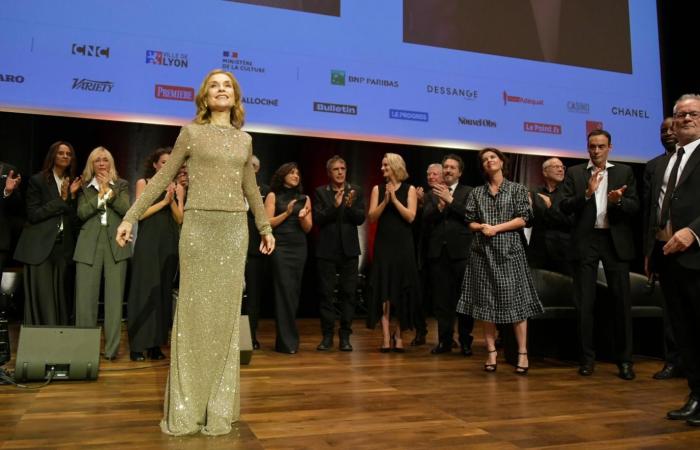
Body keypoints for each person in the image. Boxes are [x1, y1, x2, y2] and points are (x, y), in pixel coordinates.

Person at [116, 69, 275, 436]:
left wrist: (264, 227)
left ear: (235, 97)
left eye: (228, 86)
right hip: (199, 229)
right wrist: (130, 216)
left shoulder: (245, 141)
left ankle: (218, 408)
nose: (222, 90)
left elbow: (250, 189)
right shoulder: (191, 134)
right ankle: (186, 410)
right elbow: (162, 178)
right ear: (205, 97)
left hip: (235, 232)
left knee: (224, 323)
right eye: (215, 86)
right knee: (191, 318)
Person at [560, 129, 639, 380]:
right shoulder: (575, 173)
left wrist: (618, 201)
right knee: (585, 304)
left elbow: (635, 206)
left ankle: (625, 361)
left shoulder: (624, 172)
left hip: (615, 242)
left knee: (621, 303)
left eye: (601, 146)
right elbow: (564, 205)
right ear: (587, 148)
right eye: (592, 146)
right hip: (586, 241)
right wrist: (586, 194)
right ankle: (586, 359)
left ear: (610, 148)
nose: (596, 151)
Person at [457, 148, 543, 375]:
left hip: (510, 252)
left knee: (517, 304)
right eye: (484, 159)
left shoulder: (517, 189)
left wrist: (496, 228)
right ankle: (491, 352)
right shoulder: (477, 192)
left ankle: (522, 353)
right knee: (486, 305)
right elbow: (469, 220)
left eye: (492, 157)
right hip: (482, 254)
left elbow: (524, 219)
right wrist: (480, 227)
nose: (489, 161)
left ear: (502, 162)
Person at [646, 95, 700, 426]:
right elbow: (657, 210)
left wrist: (694, 232)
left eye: (693, 114)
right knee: (684, 332)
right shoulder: (664, 162)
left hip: (697, 255)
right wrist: (650, 252)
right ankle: (696, 394)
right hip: (667, 257)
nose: (686, 119)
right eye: (681, 115)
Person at [126, 148, 185, 362]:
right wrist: (163, 201)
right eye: (163, 162)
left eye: (170, 162)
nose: (166, 165)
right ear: (155, 164)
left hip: (169, 243)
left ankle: (155, 345)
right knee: (143, 290)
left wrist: (172, 199)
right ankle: (137, 345)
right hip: (149, 242)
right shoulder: (145, 183)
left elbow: (180, 219)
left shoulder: (177, 186)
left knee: (162, 292)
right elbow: (139, 213)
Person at [74, 146, 131, 360]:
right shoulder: (84, 187)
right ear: (91, 163)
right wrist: (102, 194)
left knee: (114, 301)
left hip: (116, 246)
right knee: (85, 301)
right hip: (89, 245)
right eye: (97, 160)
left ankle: (111, 351)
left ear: (111, 163)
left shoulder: (122, 185)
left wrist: (109, 190)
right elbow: (82, 212)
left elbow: (126, 209)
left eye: (105, 160)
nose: (101, 163)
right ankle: (84, 350)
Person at [14, 142, 81, 325]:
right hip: (40, 248)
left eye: (69, 153)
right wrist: (62, 199)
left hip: (62, 248)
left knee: (60, 299)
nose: (65, 156)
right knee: (42, 299)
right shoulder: (38, 180)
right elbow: (34, 215)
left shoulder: (73, 182)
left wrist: (73, 198)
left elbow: (75, 220)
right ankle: (39, 344)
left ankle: (57, 343)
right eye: (61, 153)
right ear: (53, 156)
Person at [367, 153, 420, 352]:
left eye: (385, 165)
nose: (382, 169)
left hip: (403, 246)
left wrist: (395, 200)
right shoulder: (377, 189)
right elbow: (372, 217)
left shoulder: (410, 189)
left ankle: (399, 335)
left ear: (395, 166)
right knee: (384, 290)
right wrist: (384, 201)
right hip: (384, 245)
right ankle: (385, 337)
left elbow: (411, 217)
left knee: (402, 290)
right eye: (382, 165)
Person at [643, 117, 683, 380]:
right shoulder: (654, 166)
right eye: (663, 130)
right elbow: (649, 212)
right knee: (671, 308)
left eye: (672, 128)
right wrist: (648, 252)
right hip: (661, 244)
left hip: (691, 242)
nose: (667, 133)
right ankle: (673, 361)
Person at [424, 154, 475, 356]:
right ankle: (445, 341)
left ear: (459, 172)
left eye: (452, 168)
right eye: (445, 167)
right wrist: (439, 205)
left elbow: (471, 215)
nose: (447, 170)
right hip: (438, 253)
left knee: (464, 300)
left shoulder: (469, 192)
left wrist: (450, 201)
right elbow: (426, 218)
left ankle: (465, 341)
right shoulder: (432, 193)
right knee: (442, 301)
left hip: (461, 253)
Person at [313, 155, 365, 352]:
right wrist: (334, 207)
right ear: (329, 173)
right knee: (326, 295)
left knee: (348, 294)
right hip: (327, 250)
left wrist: (349, 206)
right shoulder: (321, 192)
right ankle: (327, 336)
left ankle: (345, 336)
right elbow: (318, 219)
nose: (341, 172)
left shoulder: (356, 191)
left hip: (349, 250)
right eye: (336, 169)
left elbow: (360, 218)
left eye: (343, 168)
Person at [265, 162, 312, 354]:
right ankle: (287, 342)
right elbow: (267, 223)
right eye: (292, 173)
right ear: (282, 175)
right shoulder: (272, 195)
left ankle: (287, 341)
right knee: (283, 291)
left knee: (293, 292)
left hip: (299, 247)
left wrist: (302, 218)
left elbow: (308, 228)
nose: (296, 175)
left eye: (298, 173)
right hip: (281, 248)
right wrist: (287, 213)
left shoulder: (305, 198)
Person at [411, 163, 443, 346]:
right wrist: (419, 203)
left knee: (442, 297)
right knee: (420, 295)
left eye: (434, 174)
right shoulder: (422, 196)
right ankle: (420, 331)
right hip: (423, 251)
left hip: (442, 252)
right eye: (428, 174)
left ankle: (446, 335)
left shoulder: (446, 195)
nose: (430, 177)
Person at [527, 157, 573, 275]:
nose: (560, 170)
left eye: (562, 167)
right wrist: (527, 210)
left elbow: (570, 220)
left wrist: (550, 207)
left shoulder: (570, 194)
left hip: (563, 251)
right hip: (538, 250)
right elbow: (528, 223)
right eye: (556, 167)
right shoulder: (534, 192)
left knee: (565, 288)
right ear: (545, 172)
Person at [243, 154, 270, 350]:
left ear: (258, 169)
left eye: (253, 166)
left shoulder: (265, 191)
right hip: (231, 249)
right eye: (247, 165)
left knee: (253, 297)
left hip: (254, 251)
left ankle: (250, 337)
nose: (250, 168)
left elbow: (264, 218)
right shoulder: (230, 187)